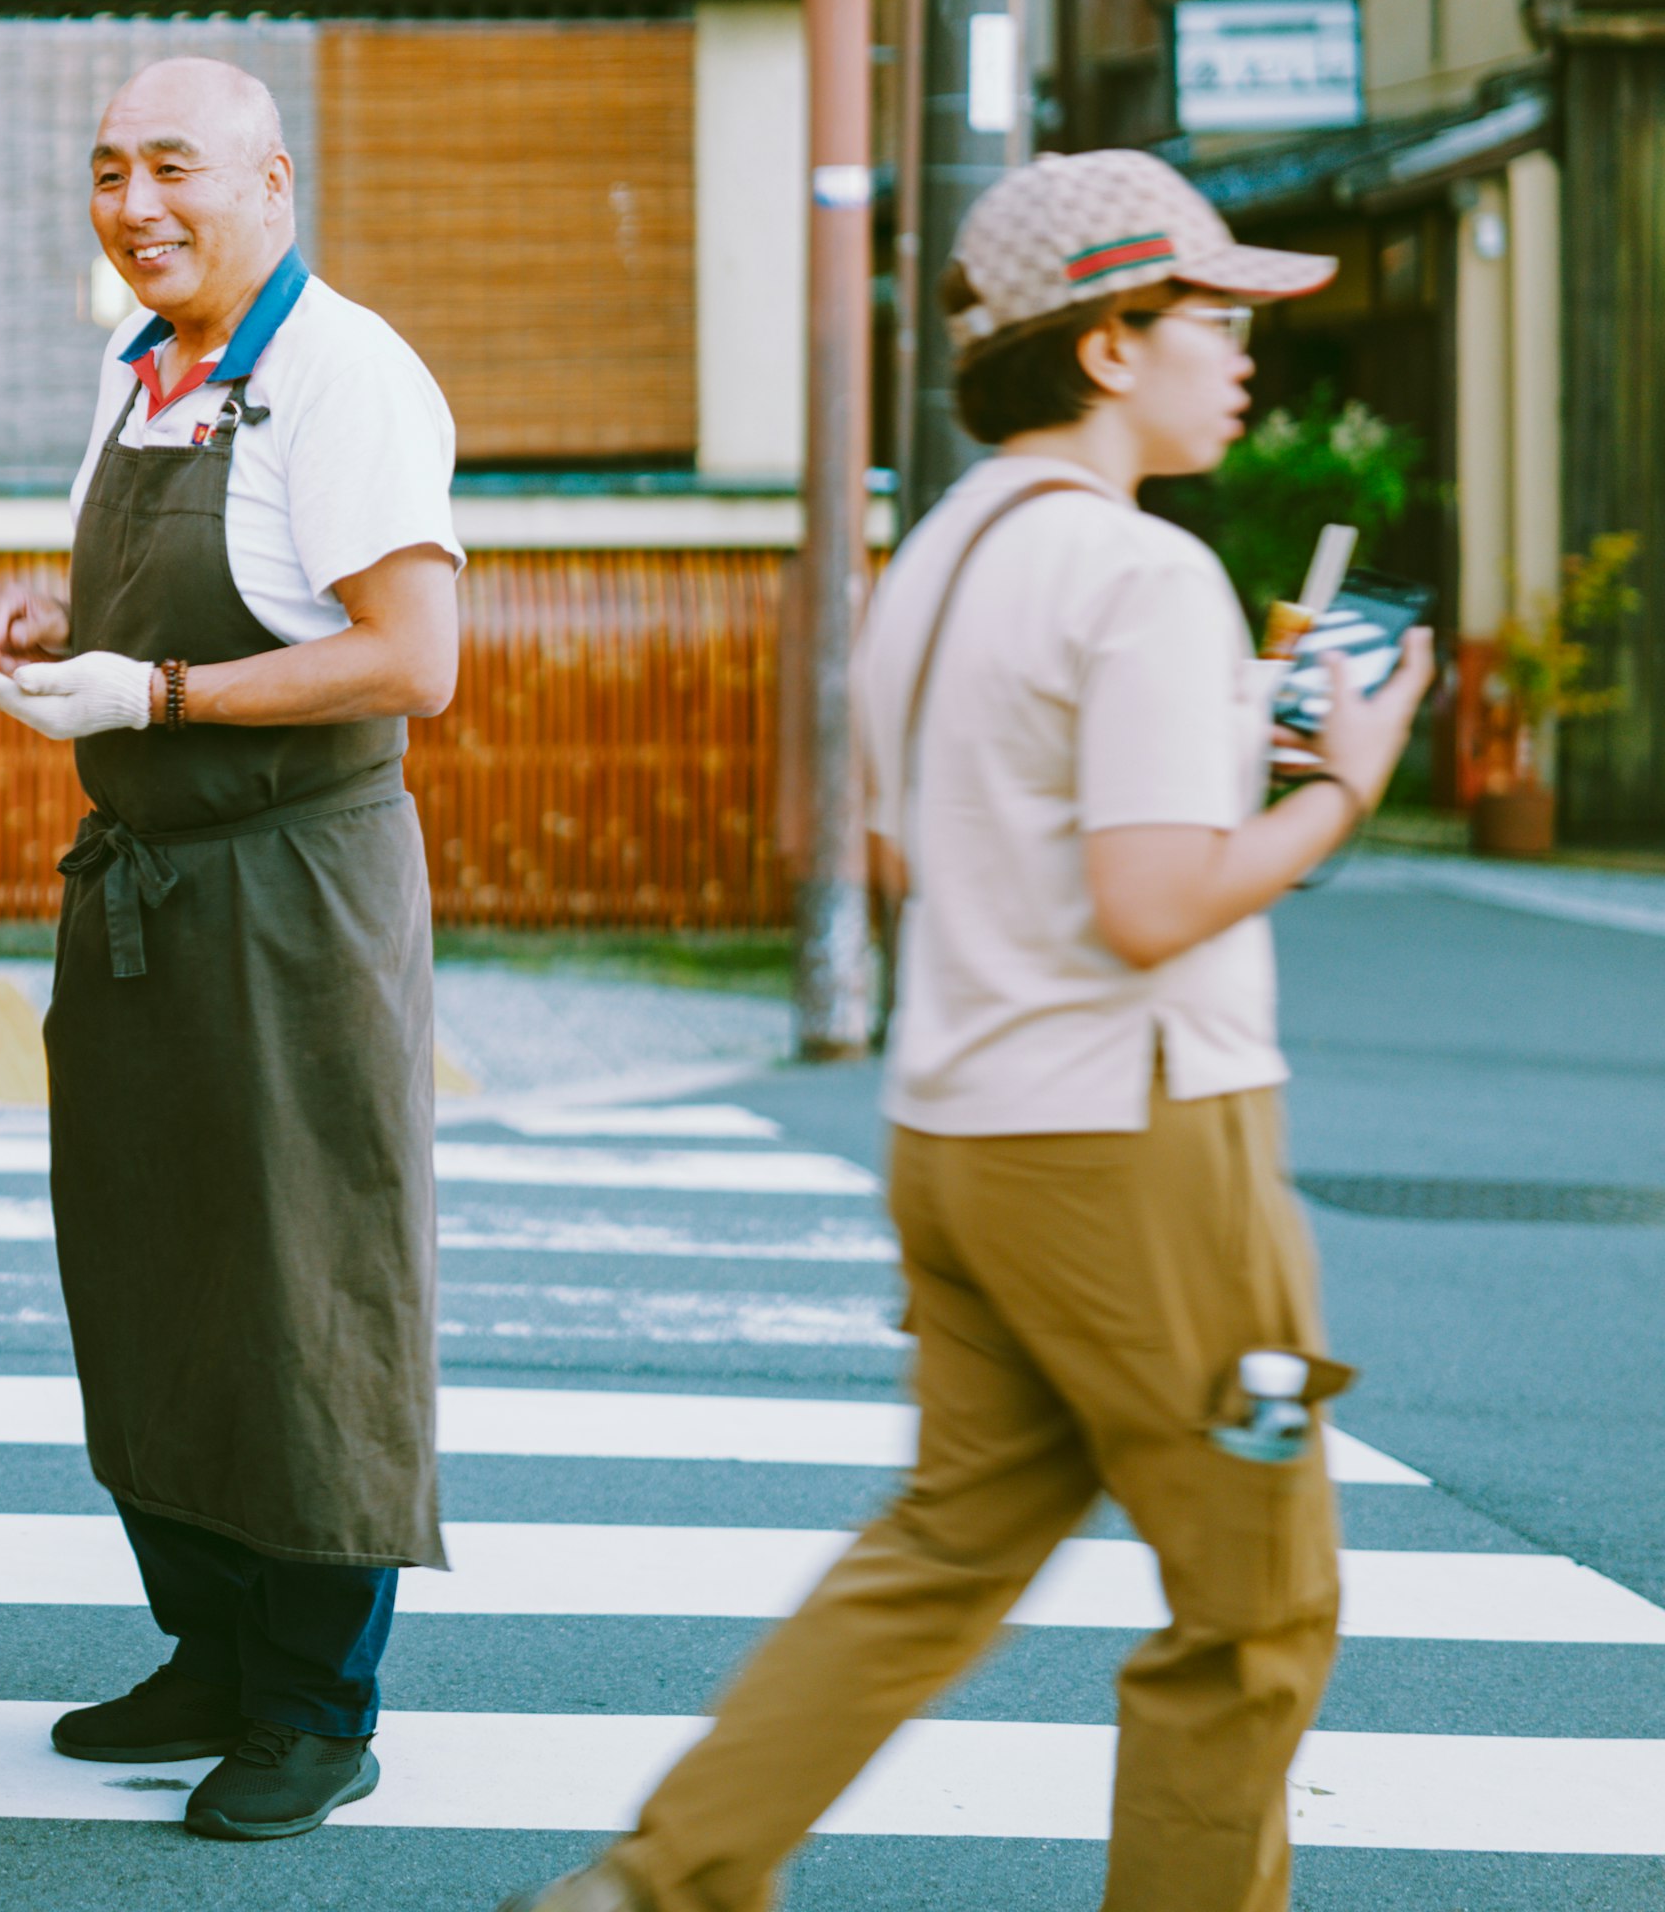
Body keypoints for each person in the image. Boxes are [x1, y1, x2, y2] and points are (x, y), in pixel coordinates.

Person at [500, 152, 1436, 1912]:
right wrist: (1342, 789)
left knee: (944, 1546)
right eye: (1209, 314)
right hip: (1141, 1144)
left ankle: (655, 1887)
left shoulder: (938, 556)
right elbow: (1152, 905)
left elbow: (929, 842)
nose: (1241, 350)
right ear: (1105, 345)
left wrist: (1230, 737)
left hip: (965, 1131)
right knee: (1257, 1612)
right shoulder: (1141, 574)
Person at [0, 57, 462, 1844]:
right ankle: (212, 1648)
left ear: (272, 180)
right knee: (151, 1269)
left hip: (290, 884)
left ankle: (320, 1709)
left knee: (301, 1286)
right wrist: (63, 620)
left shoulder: (347, 376)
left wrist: (156, 688)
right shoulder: (142, 367)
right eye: (106, 171)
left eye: (172, 167)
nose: (136, 203)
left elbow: (414, 655)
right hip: (144, 887)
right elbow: (186, 585)